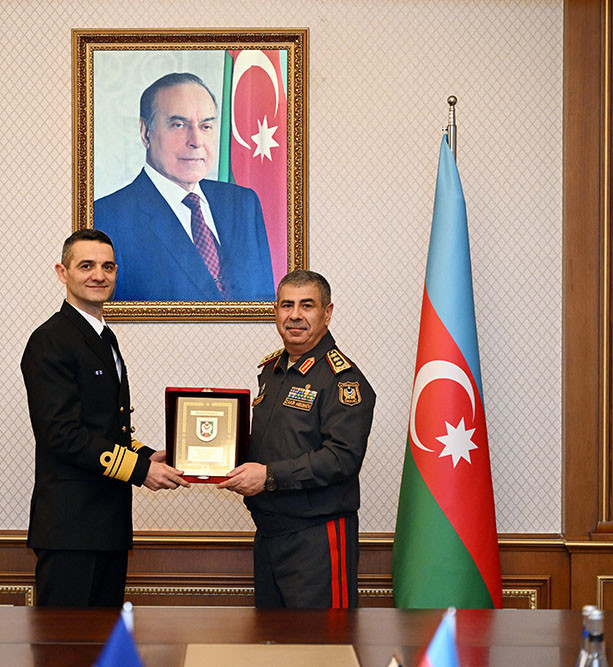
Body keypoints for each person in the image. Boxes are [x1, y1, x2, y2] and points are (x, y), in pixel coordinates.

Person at [21, 228, 189, 607]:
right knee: (66, 640)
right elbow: (61, 434)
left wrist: (147, 456)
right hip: (70, 530)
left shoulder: (103, 337)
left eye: (108, 267)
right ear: (63, 273)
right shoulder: (51, 340)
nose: (99, 275)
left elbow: (105, 426)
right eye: (86, 266)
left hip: (107, 525)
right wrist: (139, 470)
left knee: (105, 638)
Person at [219, 270, 376, 608]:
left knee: (323, 638)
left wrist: (269, 476)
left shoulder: (342, 380)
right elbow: (270, 443)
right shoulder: (272, 371)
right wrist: (207, 454)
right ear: (275, 311)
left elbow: (341, 459)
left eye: (307, 305)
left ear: (327, 313)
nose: (295, 315)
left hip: (317, 537)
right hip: (269, 532)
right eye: (286, 305)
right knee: (272, 636)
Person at [94, 72, 275, 302]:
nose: (196, 141)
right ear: (145, 132)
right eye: (178, 125)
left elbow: (266, 305)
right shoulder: (106, 218)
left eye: (206, 126)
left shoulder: (243, 204)